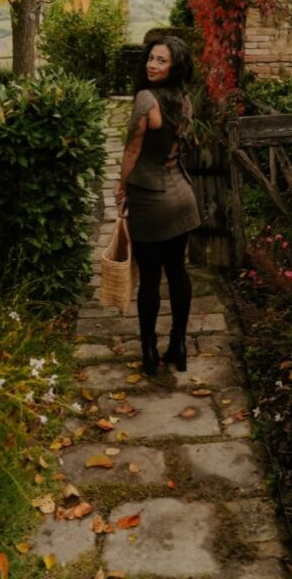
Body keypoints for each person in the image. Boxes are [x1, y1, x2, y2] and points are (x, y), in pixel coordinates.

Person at [114, 35, 201, 376]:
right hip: (181, 195)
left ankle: (150, 351)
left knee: (150, 278)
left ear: (174, 65)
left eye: (161, 60)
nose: (152, 64)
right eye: (151, 58)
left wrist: (122, 188)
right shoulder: (182, 97)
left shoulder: (145, 100)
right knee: (178, 270)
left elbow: (132, 151)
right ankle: (178, 344)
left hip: (151, 198)